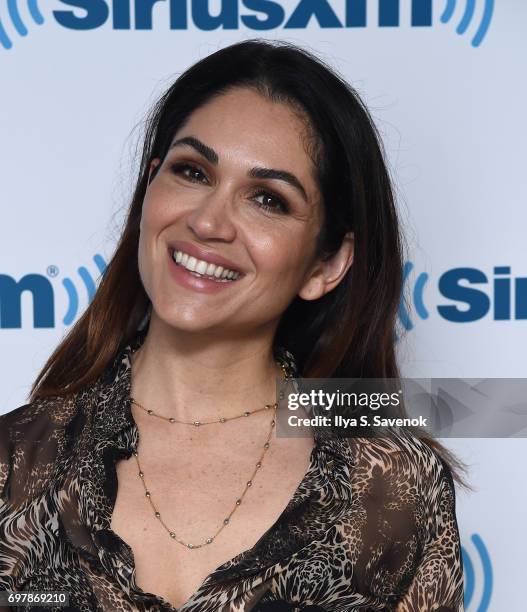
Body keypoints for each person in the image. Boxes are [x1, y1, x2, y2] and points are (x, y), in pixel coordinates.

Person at [0, 39, 465, 611]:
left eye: (267, 200)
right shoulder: (13, 463)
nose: (208, 221)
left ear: (326, 264)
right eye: (192, 171)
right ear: (150, 188)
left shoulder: (393, 484)